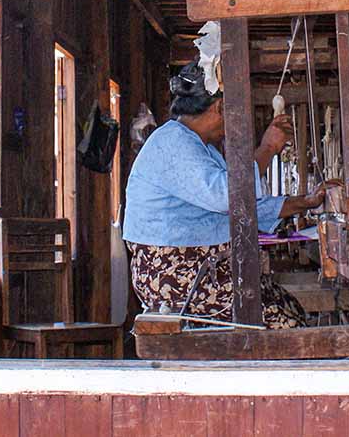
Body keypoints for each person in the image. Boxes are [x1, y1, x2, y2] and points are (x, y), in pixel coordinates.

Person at [122, 60, 335, 328]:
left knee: (288, 307)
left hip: (202, 272)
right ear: (221, 107)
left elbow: (240, 205)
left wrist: (304, 202)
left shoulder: (201, 148)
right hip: (178, 278)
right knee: (284, 325)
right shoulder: (172, 142)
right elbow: (227, 196)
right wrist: (267, 148)